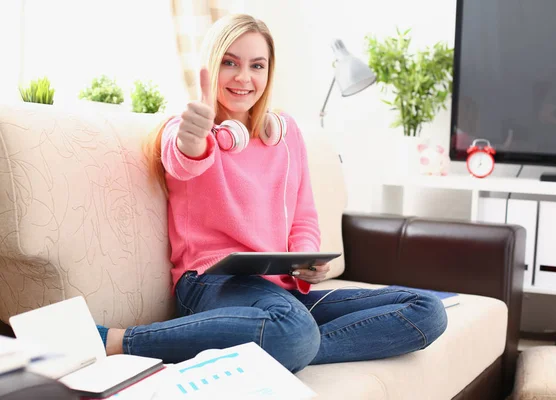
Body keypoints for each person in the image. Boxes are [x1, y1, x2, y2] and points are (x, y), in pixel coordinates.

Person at [95, 14, 448, 373]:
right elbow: (182, 159)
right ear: (211, 65)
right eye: (230, 62)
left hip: (282, 293)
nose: (244, 77)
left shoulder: (286, 134)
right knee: (293, 330)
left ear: (268, 72)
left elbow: (304, 216)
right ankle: (119, 340)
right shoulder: (190, 130)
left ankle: (288, 343)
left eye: (257, 65)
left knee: (427, 310)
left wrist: (306, 259)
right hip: (212, 285)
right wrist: (191, 139)